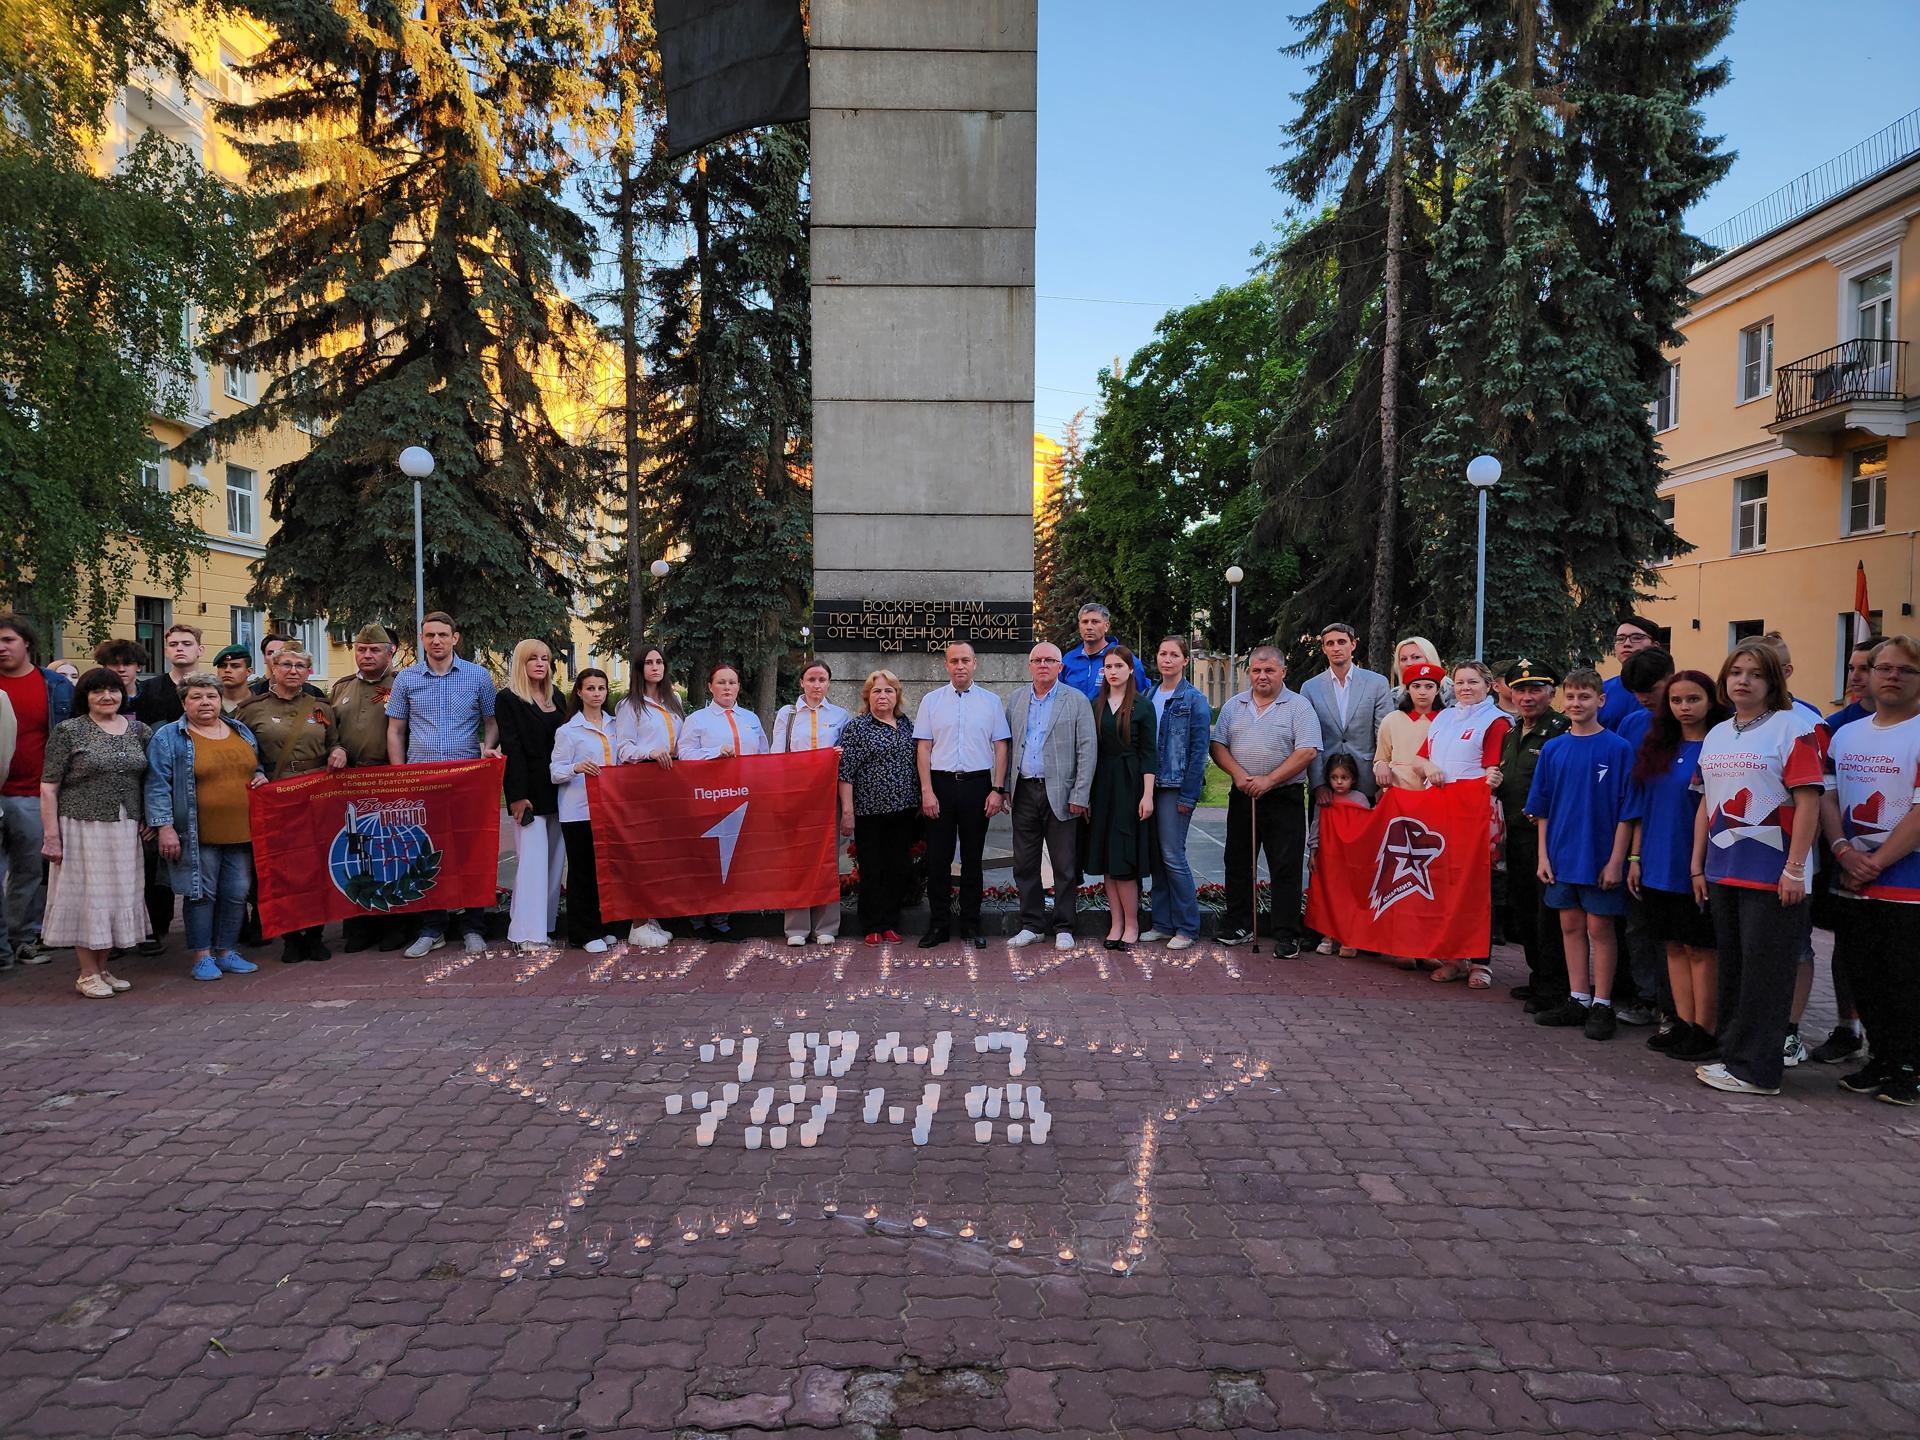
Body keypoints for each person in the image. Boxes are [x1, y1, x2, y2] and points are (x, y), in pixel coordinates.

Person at [1689, 640, 1823, 1097]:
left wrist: (1795, 868)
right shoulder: (1718, 733)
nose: (1743, 680)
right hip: (1724, 869)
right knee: (1736, 970)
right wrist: (1698, 865)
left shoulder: (1792, 728)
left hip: (1772, 874)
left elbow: (1808, 802)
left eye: (1755, 673)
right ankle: (1734, 1056)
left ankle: (1759, 1071)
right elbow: (1706, 802)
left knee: (1766, 975)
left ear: (1773, 682)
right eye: (1735, 672)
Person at [1823, 634, 1920, 1106]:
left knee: (1907, 980)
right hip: (1853, 882)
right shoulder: (1845, 735)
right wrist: (1843, 852)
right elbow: (1827, 796)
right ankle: (1881, 1058)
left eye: (1905, 669)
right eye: (1885, 668)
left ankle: (1910, 1067)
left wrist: (1874, 863)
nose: (1892, 677)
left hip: (1908, 885)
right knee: (1865, 978)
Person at [1525, 668, 1637, 1041]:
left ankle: (1603, 1003)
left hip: (1599, 856)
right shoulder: (1554, 748)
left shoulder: (1618, 748)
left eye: (1584, 697)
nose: (1576, 704)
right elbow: (1542, 808)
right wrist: (1543, 856)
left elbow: (1627, 811)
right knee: (1570, 926)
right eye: (1570, 697)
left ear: (1600, 701)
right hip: (1561, 855)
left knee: (1599, 929)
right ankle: (1578, 997)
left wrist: (1616, 860)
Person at [386, 611, 500, 958]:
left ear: (455, 638)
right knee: (424, 851)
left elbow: (491, 721)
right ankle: (431, 928)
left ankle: (473, 926)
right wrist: (400, 774)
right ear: (421, 639)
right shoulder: (407, 679)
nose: (436, 640)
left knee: (469, 851)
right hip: (422, 778)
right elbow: (395, 730)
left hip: (466, 779)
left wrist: (488, 750)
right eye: (429, 635)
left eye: (442, 634)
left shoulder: (478, 676)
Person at [1627, 671, 1728, 1062]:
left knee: (1700, 948)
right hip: (1656, 861)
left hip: (1696, 865)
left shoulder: (1719, 748)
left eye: (1693, 699)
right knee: (1671, 945)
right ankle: (1683, 1023)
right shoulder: (1658, 748)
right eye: (1676, 700)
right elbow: (1641, 809)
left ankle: (1706, 1028)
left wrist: (1698, 865)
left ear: (1710, 702)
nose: (1684, 708)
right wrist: (1635, 858)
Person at [38, 667, 153, 997]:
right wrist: (51, 836)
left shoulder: (138, 731)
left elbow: (149, 779)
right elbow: (48, 787)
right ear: (84, 696)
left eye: (113, 690)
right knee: (89, 896)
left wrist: (149, 817)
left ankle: (103, 968)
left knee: (118, 894)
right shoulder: (69, 731)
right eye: (97, 691)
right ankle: (87, 973)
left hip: (125, 825)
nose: (107, 696)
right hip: (81, 825)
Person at [145, 673, 267, 982]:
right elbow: (158, 785)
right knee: (201, 893)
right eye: (196, 697)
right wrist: (165, 828)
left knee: (237, 892)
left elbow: (257, 766)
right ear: (184, 701)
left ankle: (226, 952)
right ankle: (202, 956)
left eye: (211, 696)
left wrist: (262, 776)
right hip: (196, 833)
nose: (205, 702)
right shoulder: (169, 737)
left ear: (220, 699)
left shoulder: (240, 730)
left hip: (241, 831)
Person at [237, 647, 345, 963]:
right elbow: (240, 751)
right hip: (275, 793)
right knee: (282, 867)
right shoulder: (251, 709)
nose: (293, 670)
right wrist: (256, 772)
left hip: (316, 792)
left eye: (301, 666)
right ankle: (290, 937)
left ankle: (314, 935)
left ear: (309, 672)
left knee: (316, 865)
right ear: (272, 667)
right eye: (286, 664)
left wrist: (340, 752)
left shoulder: (321, 706)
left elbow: (334, 741)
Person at [1211, 645, 1320, 956]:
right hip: (1243, 793)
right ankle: (1240, 923)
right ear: (1249, 673)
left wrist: (1270, 780)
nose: (1262, 676)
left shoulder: (1299, 706)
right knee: (1237, 861)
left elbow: (1307, 750)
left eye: (1269, 670)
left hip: (1283, 795)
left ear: (1283, 672)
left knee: (1284, 864)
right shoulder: (1234, 706)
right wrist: (1238, 774)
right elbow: (1218, 745)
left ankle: (1287, 932)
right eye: (1257, 671)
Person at [1808, 636, 1880, 1065]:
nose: (1855, 676)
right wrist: (1840, 850)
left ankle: (1892, 1041)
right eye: (1851, 667)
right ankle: (1847, 1027)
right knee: (1847, 946)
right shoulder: (1836, 727)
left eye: (1865, 667)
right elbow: (1820, 793)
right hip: (1845, 858)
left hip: (1901, 861)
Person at [913, 641, 1011, 950]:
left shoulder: (991, 702)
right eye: (954, 660)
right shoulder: (931, 701)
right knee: (938, 860)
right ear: (946, 665)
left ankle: (971, 924)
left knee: (972, 859)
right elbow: (924, 748)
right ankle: (939, 925)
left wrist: (997, 789)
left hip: (977, 786)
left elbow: (1001, 747)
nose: (960, 666)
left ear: (975, 664)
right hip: (940, 786)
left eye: (965, 660)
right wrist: (926, 791)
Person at [1423, 660, 1512, 988]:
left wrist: (1490, 779)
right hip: (1441, 812)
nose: (1465, 688)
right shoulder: (1444, 717)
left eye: (1473, 682)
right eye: (1460, 682)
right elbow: (1421, 756)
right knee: (1447, 885)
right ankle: (1453, 957)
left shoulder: (1496, 721)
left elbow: (1491, 768)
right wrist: (1428, 766)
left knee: (1477, 887)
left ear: (1488, 685)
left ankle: (1480, 961)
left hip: (1475, 815)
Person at [1003, 642, 1096, 951]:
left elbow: (1087, 750)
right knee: (1024, 863)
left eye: (1049, 660)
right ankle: (1031, 925)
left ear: (1060, 667)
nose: (1043, 664)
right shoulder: (1016, 700)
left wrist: (1080, 794)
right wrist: (1003, 787)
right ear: (1030, 666)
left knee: (1065, 865)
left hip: (1062, 792)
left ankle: (1065, 926)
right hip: (1025, 790)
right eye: (1037, 660)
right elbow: (1007, 747)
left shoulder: (1077, 700)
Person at [0, 613, 76, 967]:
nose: (1, 649)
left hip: (33, 794)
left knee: (28, 871)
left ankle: (22, 939)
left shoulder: (54, 686)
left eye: (8, 640)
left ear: (26, 642)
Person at [1496, 659, 1570, 1013]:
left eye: (1535, 689)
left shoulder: (1561, 730)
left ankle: (1556, 985)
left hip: (1547, 836)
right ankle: (1539, 974)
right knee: (1524, 910)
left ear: (1551, 693)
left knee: (1548, 914)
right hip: (1516, 835)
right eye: (1521, 690)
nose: (1527, 697)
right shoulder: (1512, 733)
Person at [1611, 645, 1679, 1029]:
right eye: (1635, 692)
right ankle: (1646, 996)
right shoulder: (1634, 723)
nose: (1643, 698)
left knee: (1673, 929)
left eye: (1650, 689)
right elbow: (1626, 787)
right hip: (1638, 835)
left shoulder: (1696, 720)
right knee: (1637, 924)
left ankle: (1674, 1004)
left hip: (1676, 837)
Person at [678, 661, 770, 941]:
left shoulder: (750, 718)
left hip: (743, 798)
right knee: (706, 860)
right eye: (721, 682)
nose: (727, 687)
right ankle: (698, 919)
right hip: (709, 798)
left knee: (734, 860)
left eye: (732, 682)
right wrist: (714, 753)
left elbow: (764, 754)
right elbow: (684, 753)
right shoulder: (698, 720)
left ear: (739, 687)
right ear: (710, 687)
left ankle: (722, 919)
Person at [549, 668, 633, 954]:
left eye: (601, 688)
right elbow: (555, 772)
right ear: (580, 693)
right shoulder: (569, 731)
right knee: (582, 872)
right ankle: (583, 932)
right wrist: (576, 767)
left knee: (607, 871)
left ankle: (606, 925)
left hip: (611, 809)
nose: (597, 693)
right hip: (579, 811)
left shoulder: (616, 726)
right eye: (591, 688)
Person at [328, 625, 401, 952]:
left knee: (389, 853)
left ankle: (394, 925)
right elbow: (330, 731)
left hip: (387, 781)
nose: (367, 655)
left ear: (390, 652)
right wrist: (336, 749)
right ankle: (358, 925)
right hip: (349, 784)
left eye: (374, 650)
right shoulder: (342, 687)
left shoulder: (403, 685)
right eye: (361, 649)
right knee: (354, 853)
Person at [838, 670, 922, 944]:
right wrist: (848, 811)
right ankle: (872, 925)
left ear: (897, 695)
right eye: (877, 691)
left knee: (898, 867)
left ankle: (890, 923)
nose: (882, 695)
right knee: (873, 868)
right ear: (867, 696)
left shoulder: (907, 725)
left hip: (904, 811)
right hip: (869, 813)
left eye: (888, 690)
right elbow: (846, 772)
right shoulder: (857, 728)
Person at [496, 639, 569, 953]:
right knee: (532, 863)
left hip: (561, 789)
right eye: (533, 658)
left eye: (545, 659)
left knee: (555, 862)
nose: (540, 664)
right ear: (521, 663)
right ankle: (526, 933)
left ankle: (545, 926)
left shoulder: (560, 698)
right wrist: (516, 795)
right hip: (529, 791)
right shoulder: (509, 699)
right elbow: (511, 748)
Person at [772, 660, 851, 945]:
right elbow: (778, 756)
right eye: (812, 679)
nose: (817, 685)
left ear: (829, 683)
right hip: (797, 795)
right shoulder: (788, 714)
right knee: (797, 859)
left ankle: (826, 926)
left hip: (827, 795)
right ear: (802, 682)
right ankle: (796, 928)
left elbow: (845, 758)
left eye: (822, 680)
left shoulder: (840, 715)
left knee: (826, 859)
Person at [1142, 636, 1212, 951]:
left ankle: (1187, 926)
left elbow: (1199, 752)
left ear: (1185, 660)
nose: (1167, 659)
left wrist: (1188, 795)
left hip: (1174, 787)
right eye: (1162, 653)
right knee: (1156, 857)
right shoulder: (1148, 694)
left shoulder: (1193, 699)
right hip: (1149, 787)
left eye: (1174, 654)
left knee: (1173, 855)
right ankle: (1161, 922)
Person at [1086, 647, 1157, 949]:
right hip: (1102, 785)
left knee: (1123, 859)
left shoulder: (1142, 706)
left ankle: (1132, 923)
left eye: (1118, 666)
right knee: (1106, 858)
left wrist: (1148, 795)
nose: (1112, 671)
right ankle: (1115, 923)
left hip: (1130, 786)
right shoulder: (1095, 704)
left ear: (1130, 669)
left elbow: (1149, 754)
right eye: (1108, 667)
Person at [611, 643, 679, 949]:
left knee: (662, 856)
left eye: (659, 662)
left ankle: (651, 917)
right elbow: (622, 747)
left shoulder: (674, 700)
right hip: (641, 783)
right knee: (642, 853)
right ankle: (637, 922)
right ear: (639, 669)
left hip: (671, 783)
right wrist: (649, 752)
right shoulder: (629, 705)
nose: (655, 667)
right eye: (649, 662)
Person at [1302, 622, 1393, 803]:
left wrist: (1383, 783)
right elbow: (1309, 741)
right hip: (1327, 781)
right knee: (1323, 832)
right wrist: (1318, 784)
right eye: (1330, 643)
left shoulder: (1377, 683)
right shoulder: (1310, 688)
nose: (1336, 648)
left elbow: (1384, 735)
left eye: (1341, 642)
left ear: (1353, 645)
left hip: (1368, 780)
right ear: (1324, 648)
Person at [1309, 753, 1371, 958]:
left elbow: (1367, 828)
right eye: (1334, 778)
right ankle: (1328, 936)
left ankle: (1349, 938)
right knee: (1329, 894)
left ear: (1353, 778)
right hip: (1329, 857)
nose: (1339, 782)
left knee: (1350, 897)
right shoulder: (1325, 799)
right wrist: (1313, 850)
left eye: (1344, 778)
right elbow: (1316, 825)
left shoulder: (1360, 799)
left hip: (1351, 860)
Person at [1374, 662, 1446, 792]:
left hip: (1436, 792)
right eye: (1416, 686)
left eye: (1429, 687)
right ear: (1407, 689)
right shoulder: (1391, 720)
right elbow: (1381, 758)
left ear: (1438, 690)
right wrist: (1381, 766)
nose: (1422, 692)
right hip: (1399, 792)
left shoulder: (1446, 721)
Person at [1059, 602, 1149, 698]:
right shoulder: (1068, 660)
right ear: (1079, 626)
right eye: (1085, 622)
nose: (1089, 627)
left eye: (1095, 622)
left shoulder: (1124, 658)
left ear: (1106, 626)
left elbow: (1142, 695)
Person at [134, 623, 204, 728]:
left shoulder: (212, 688)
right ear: (166, 651)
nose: (179, 648)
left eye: (187, 644)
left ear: (200, 650)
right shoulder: (148, 688)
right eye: (173, 644)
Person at [1599, 615, 1662, 731]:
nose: (1627, 643)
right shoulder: (1601, 690)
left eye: (1637, 637)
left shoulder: (1673, 690)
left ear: (1655, 646)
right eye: (1620, 639)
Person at [248, 633, 324, 699]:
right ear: (264, 658)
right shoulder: (253, 693)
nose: (275, 657)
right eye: (270, 653)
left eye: (281, 652)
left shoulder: (314, 693)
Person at [1390, 636, 1454, 707]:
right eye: (1404, 659)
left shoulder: (1453, 690)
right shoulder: (1394, 696)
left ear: (1430, 659)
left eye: (1416, 657)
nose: (1409, 663)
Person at [91, 639, 148, 718]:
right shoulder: (93, 698)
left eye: (127, 664)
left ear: (139, 667)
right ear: (104, 666)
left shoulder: (151, 696)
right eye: (114, 663)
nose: (121, 669)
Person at [213, 645, 255, 714]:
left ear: (249, 671)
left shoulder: (260, 705)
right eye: (222, 666)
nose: (227, 670)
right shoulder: (210, 704)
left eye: (235, 666)